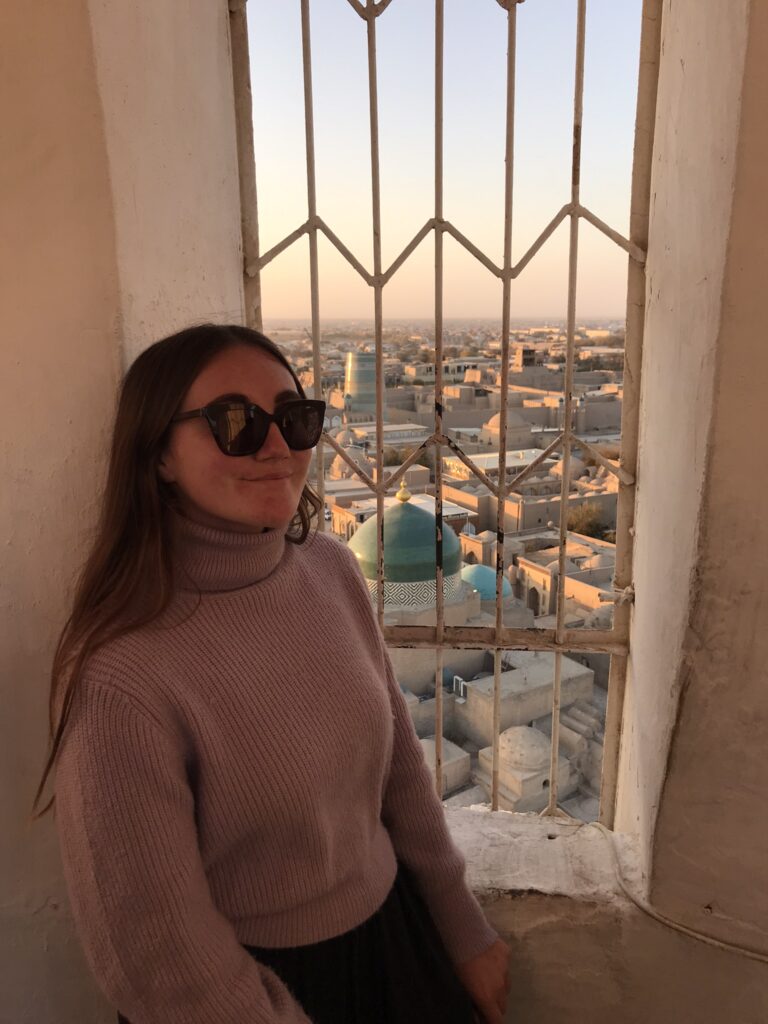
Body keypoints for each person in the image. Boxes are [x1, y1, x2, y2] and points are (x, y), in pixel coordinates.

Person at [32, 324, 511, 1024]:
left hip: (395, 946)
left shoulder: (332, 570)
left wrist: (461, 930)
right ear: (158, 453)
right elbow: (158, 957)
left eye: (294, 418)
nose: (276, 446)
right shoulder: (122, 675)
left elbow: (400, 774)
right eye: (234, 423)